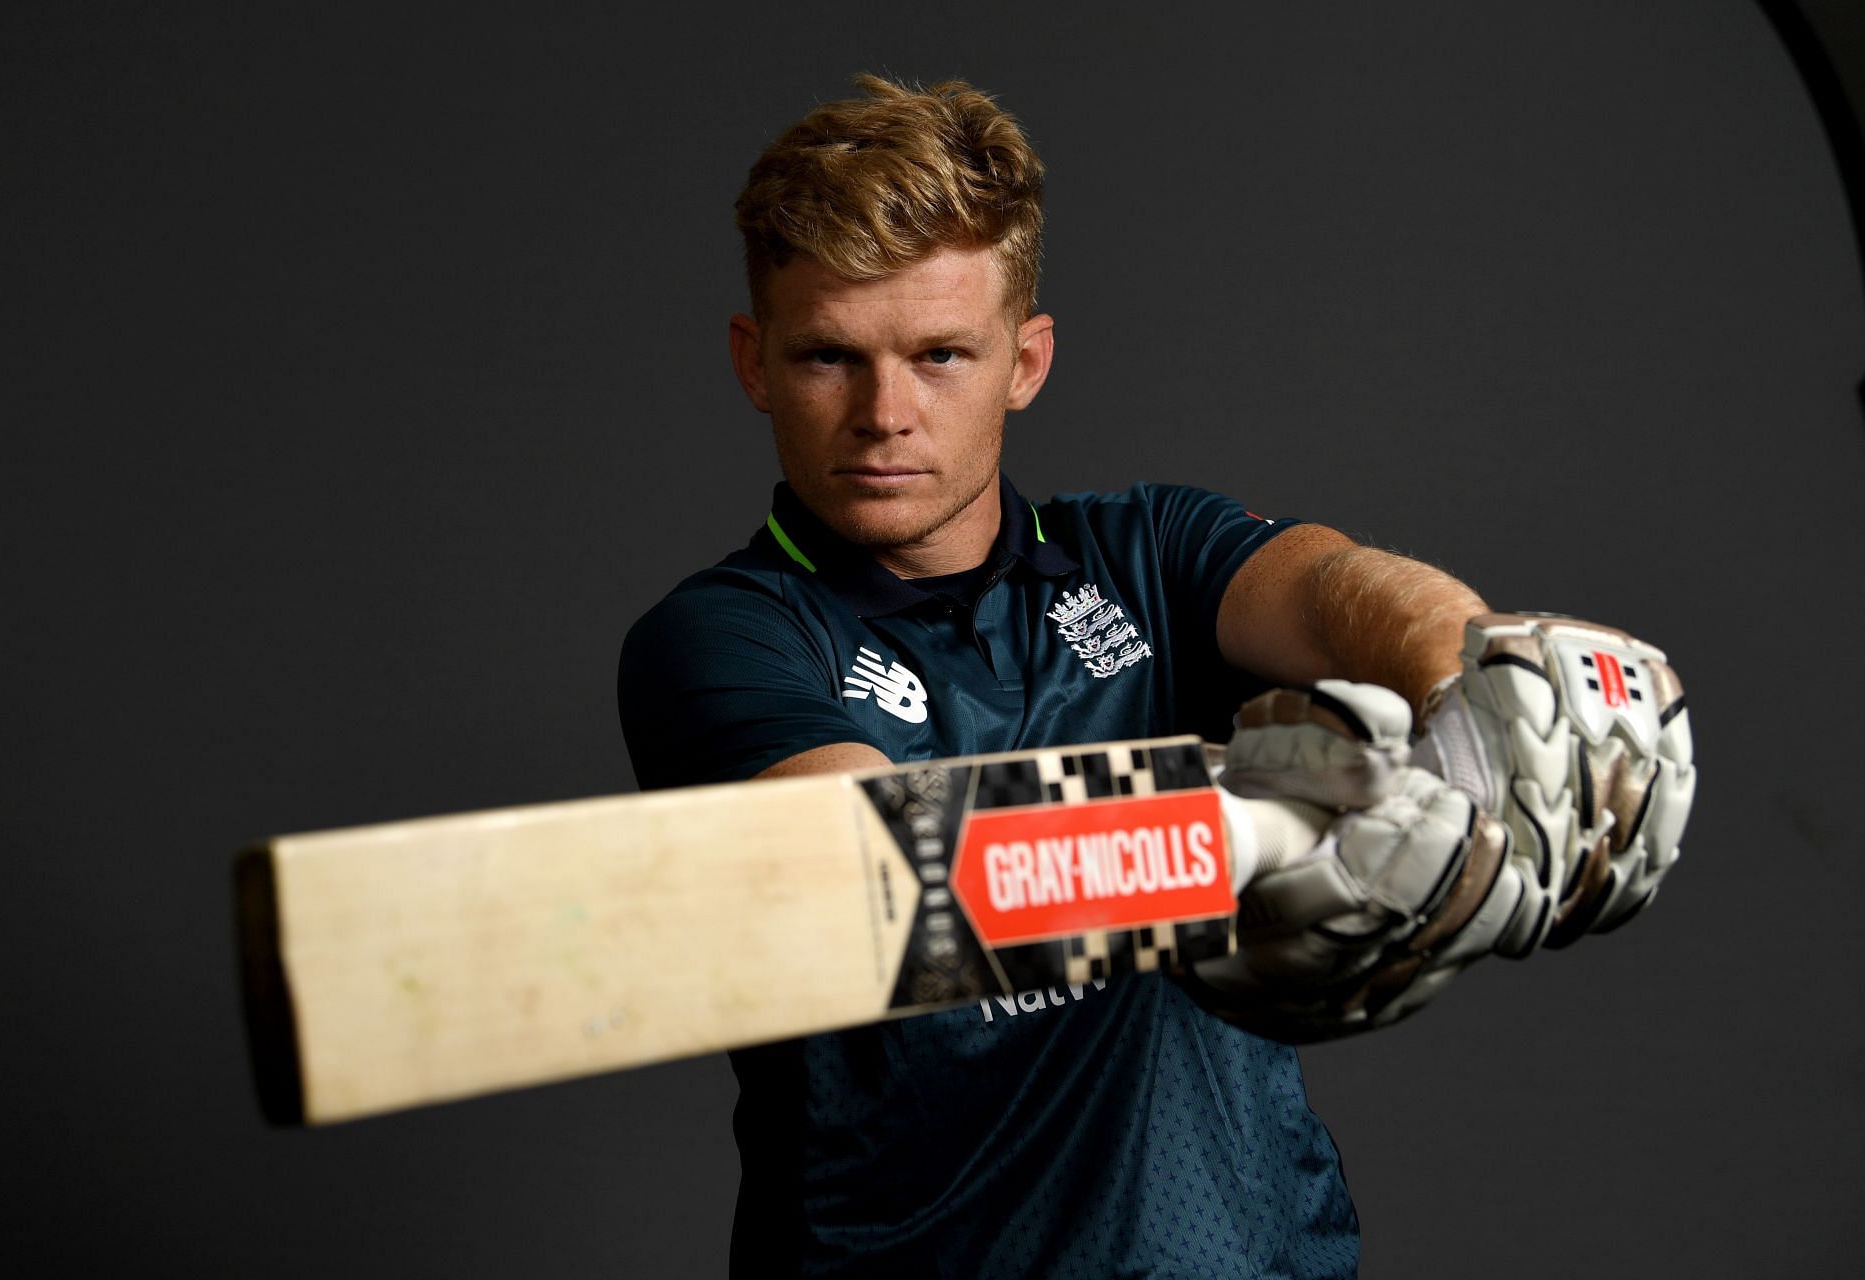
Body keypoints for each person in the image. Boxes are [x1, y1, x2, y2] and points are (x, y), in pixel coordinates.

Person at [618, 74, 1690, 1279]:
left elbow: (1338, 590)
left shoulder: (1150, 555)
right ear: (753, 362)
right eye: (829, 357)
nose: (886, 413)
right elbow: (877, 873)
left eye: (940, 354)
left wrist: (1486, 687)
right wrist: (1254, 841)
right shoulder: (723, 636)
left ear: (1026, 361)